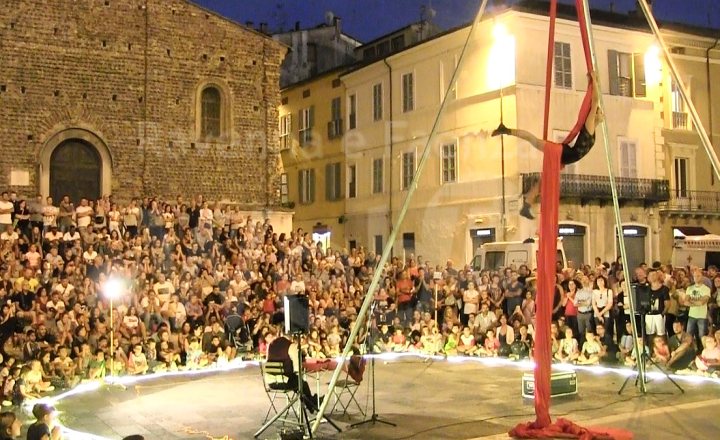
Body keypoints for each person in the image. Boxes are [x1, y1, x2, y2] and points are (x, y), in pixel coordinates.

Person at [492, 72, 602, 219]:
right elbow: (595, 101)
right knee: (534, 141)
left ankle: (527, 204)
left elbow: (595, 101)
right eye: (600, 112)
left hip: (563, 156)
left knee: (544, 179)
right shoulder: (589, 126)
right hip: (560, 153)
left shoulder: (592, 129)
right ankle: (506, 130)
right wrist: (594, 81)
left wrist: (594, 81)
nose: (602, 114)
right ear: (594, 115)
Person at [266, 329, 323, 413]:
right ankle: (313, 405)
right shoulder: (291, 346)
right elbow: (297, 369)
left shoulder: (270, 345)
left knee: (298, 383)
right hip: (284, 382)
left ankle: (312, 403)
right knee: (302, 384)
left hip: (270, 382)